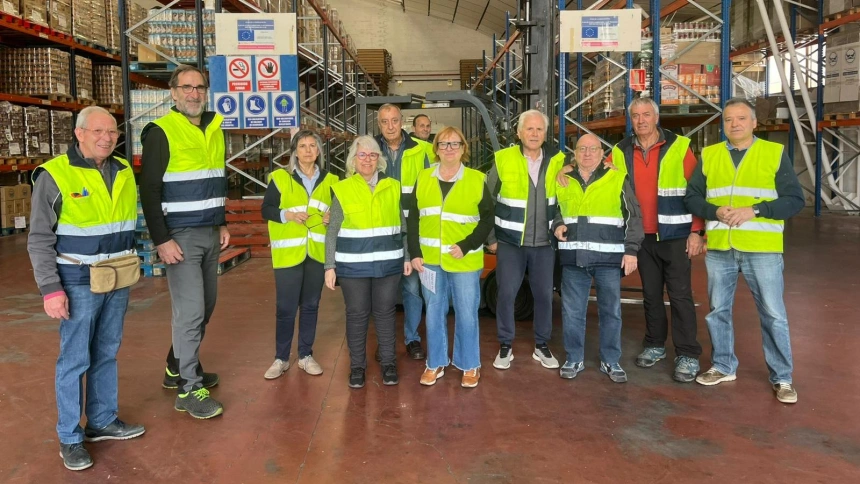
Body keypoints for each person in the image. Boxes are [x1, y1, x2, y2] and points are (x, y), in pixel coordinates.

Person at [28, 106, 145, 471]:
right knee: (75, 359)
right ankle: (69, 437)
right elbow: (39, 238)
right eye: (98, 131)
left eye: (112, 132)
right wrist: (51, 289)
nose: (107, 138)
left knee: (107, 351)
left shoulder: (123, 169)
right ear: (79, 133)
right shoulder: (55, 175)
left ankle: (102, 420)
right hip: (77, 280)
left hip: (118, 277)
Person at [557, 97, 704, 383]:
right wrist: (567, 167)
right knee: (651, 294)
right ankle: (654, 345)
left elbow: (696, 191)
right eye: (636, 116)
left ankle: (687, 353)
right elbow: (591, 165)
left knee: (680, 295)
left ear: (656, 117)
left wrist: (697, 231)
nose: (641, 120)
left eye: (646, 115)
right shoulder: (621, 150)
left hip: (674, 234)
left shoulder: (679, 148)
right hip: (643, 237)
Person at [684, 98, 804, 403]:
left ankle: (783, 377)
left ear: (753, 123)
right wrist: (714, 212)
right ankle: (724, 365)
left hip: (761, 248)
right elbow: (693, 197)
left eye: (740, 119)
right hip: (721, 247)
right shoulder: (710, 155)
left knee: (773, 313)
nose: (734, 124)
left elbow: (794, 200)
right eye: (728, 120)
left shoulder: (773, 153)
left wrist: (757, 211)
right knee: (717, 311)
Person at [140, 64, 230, 419]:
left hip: (209, 231)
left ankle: (175, 366)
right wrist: (161, 239)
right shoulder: (161, 132)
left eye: (200, 87)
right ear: (173, 92)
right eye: (187, 87)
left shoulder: (214, 128)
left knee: (206, 306)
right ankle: (189, 388)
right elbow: (149, 190)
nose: (194, 94)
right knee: (191, 311)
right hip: (180, 236)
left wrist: (221, 222)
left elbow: (215, 180)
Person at [407, 127, 494, 388]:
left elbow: (488, 218)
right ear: (435, 148)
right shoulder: (423, 178)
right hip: (431, 260)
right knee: (434, 311)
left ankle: (470, 365)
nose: (449, 148)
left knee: (467, 312)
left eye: (455, 143)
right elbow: (413, 219)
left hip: (464, 261)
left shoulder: (476, 179)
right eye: (443, 144)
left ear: (463, 148)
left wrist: (467, 244)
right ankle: (435, 363)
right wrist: (415, 252)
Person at [553, 134, 644, 383]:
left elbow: (633, 216)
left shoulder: (616, 177)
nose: (587, 153)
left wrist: (631, 250)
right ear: (575, 153)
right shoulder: (563, 179)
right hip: (573, 257)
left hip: (608, 258)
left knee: (611, 311)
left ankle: (610, 360)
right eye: (582, 149)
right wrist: (558, 224)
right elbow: (554, 209)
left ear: (602, 152)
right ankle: (574, 357)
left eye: (593, 149)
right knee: (572, 311)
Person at [324, 135, 411, 389]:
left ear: (379, 159)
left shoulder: (393, 186)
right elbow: (333, 231)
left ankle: (388, 364)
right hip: (353, 267)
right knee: (357, 315)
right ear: (353, 159)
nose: (367, 160)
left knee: (385, 315)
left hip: (388, 265)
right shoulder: (343, 188)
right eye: (362, 155)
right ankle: (357, 367)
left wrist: (406, 255)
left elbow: (402, 226)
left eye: (372, 155)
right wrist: (330, 266)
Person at [487, 109, 566, 371]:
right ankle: (505, 345)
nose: (534, 134)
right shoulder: (503, 159)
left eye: (539, 129)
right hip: (510, 242)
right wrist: (491, 238)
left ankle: (542, 345)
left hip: (544, 242)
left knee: (544, 295)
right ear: (519, 133)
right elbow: (486, 201)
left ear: (545, 134)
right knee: (506, 293)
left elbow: (567, 197)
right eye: (529, 129)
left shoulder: (559, 160)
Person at [261, 130, 338, 379]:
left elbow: (340, 213)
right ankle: (281, 358)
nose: (307, 150)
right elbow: (267, 209)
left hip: (316, 254)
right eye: (302, 146)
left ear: (319, 151)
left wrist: (331, 218)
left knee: (310, 306)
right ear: (294, 152)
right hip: (288, 255)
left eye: (312, 146)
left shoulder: (332, 180)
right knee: (285, 308)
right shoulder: (280, 178)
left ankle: (305, 355)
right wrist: (288, 215)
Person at [374, 104, 432, 360]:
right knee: (381, 292)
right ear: (379, 124)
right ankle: (384, 342)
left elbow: (433, 185)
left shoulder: (421, 150)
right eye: (384, 121)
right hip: (380, 231)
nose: (390, 126)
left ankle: (412, 338)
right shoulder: (369, 149)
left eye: (394, 120)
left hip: (411, 231)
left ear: (402, 122)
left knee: (411, 289)